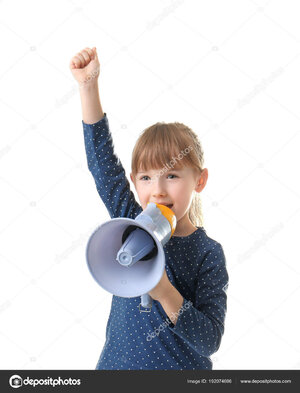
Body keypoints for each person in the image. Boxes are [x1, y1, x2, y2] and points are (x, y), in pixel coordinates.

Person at [69, 47, 229, 370]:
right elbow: (102, 165)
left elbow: (210, 340)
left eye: (171, 175)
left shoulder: (207, 253)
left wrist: (165, 292)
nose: (157, 190)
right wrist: (88, 86)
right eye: (145, 177)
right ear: (134, 181)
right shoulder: (130, 221)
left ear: (200, 180)